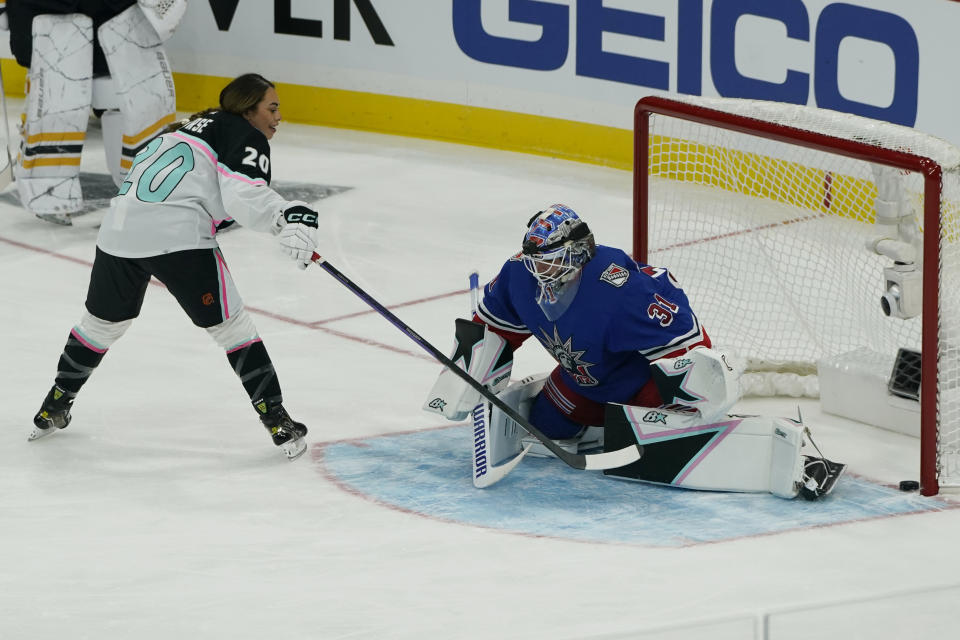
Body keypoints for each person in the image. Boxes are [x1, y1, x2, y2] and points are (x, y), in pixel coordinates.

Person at [424, 204, 845, 499]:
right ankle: (602, 427)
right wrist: (469, 383)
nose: (539, 272)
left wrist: (695, 399)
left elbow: (686, 346)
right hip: (584, 382)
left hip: (641, 386)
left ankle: (754, 441)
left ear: (576, 252)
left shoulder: (621, 289)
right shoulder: (520, 274)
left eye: (549, 262)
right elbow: (490, 333)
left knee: (663, 447)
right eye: (536, 260)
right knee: (546, 428)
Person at [30, 73, 320, 460]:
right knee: (233, 329)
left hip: (117, 231)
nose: (279, 115)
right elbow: (243, 195)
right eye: (272, 107)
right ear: (248, 109)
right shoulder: (242, 133)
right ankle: (277, 421)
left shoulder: (182, 129)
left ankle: (54, 405)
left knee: (98, 326)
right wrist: (287, 218)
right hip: (177, 235)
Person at [1, 0, 186, 222]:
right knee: (57, 99)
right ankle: (49, 189)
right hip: (44, 10)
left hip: (115, 10)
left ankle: (143, 181)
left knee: (133, 97)